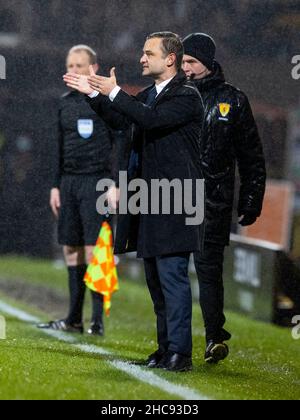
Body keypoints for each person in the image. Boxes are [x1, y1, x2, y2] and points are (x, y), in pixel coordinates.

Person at [64, 32, 204, 372]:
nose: (141, 58)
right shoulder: (149, 95)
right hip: (150, 198)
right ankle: (164, 349)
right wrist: (96, 97)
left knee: (172, 277)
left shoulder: (186, 96)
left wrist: (114, 91)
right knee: (156, 280)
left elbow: (149, 120)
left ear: (170, 59)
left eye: (148, 53)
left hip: (177, 198)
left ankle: (180, 354)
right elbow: (123, 122)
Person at [182, 33, 266, 363]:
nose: (186, 67)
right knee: (166, 269)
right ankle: (171, 339)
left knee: (208, 270)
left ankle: (214, 336)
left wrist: (251, 200)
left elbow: (251, 157)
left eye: (192, 61)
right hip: (171, 197)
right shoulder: (174, 94)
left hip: (213, 201)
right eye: (183, 61)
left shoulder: (233, 100)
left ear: (208, 62)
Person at [38, 45, 115, 336]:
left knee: (95, 250)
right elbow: (58, 147)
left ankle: (96, 320)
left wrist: (115, 182)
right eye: (69, 65)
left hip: (96, 182)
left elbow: (119, 142)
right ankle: (73, 318)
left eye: (79, 65)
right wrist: (55, 186)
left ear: (93, 68)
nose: (72, 71)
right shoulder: (64, 103)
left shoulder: (105, 102)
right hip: (69, 183)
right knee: (71, 249)